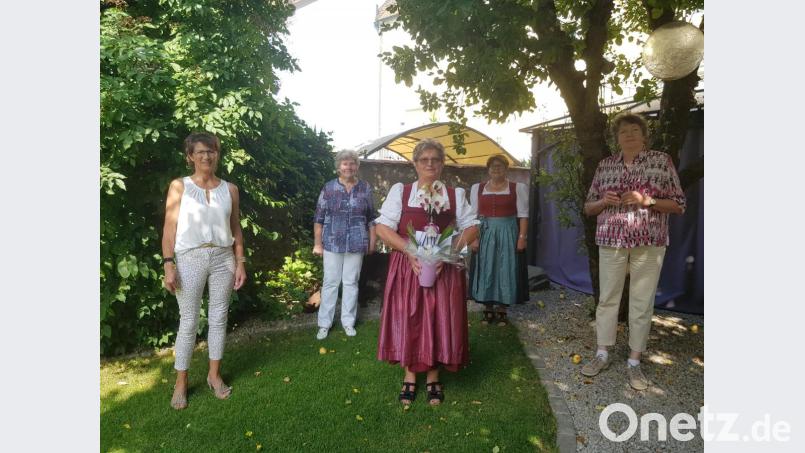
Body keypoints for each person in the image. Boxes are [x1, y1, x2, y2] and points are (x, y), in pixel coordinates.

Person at [580, 113, 686, 390]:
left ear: (644, 135)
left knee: (641, 301)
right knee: (607, 299)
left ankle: (634, 362)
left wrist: (646, 200)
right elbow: (588, 207)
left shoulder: (660, 161)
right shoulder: (605, 165)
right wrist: (603, 201)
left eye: (634, 130)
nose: (628, 134)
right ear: (617, 138)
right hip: (611, 240)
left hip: (649, 241)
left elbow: (678, 204)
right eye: (623, 131)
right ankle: (602, 353)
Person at [375, 139, 479, 406]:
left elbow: (472, 228)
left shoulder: (455, 194)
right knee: (410, 317)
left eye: (436, 159)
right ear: (415, 163)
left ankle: (433, 375)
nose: (430, 164)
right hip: (408, 267)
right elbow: (383, 229)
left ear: (443, 163)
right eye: (424, 160)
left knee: (438, 317)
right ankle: (410, 375)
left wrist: (449, 252)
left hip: (443, 267)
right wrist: (410, 251)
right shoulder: (401, 191)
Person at [162, 132, 247, 410]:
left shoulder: (230, 189)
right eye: (200, 152)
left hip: (223, 257)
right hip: (190, 257)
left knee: (219, 317)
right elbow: (169, 229)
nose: (206, 156)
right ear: (190, 156)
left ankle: (214, 375)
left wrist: (240, 262)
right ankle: (181, 381)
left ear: (217, 154)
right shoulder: (179, 187)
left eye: (211, 151)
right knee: (188, 321)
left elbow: (236, 227)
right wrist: (168, 264)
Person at [312, 150, 376, 340]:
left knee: (351, 282)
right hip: (332, 242)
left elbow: (372, 217)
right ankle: (324, 324)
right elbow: (319, 218)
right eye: (345, 163)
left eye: (352, 163)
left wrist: (373, 241)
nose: (349, 167)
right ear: (339, 166)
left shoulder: (365, 188)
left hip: (357, 242)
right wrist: (317, 244)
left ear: (357, 166)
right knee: (331, 282)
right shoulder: (329, 188)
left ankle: (348, 322)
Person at [468, 155, 530, 326]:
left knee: (505, 268)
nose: (496, 169)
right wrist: (473, 238)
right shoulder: (477, 188)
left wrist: (522, 238)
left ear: (506, 169)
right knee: (486, 267)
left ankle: (502, 309)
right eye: (493, 166)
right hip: (485, 233)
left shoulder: (518, 188)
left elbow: (523, 216)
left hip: (508, 232)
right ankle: (487, 307)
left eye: (500, 166)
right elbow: (473, 216)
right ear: (488, 169)